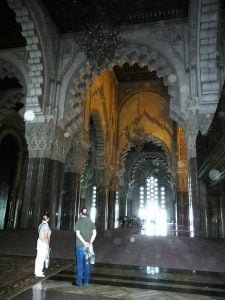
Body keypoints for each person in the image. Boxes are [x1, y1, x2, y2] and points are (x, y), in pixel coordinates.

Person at [73, 207, 97, 286]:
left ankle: (79, 282)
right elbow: (94, 233)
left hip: (80, 246)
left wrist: (84, 243)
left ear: (80, 213)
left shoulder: (79, 222)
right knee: (87, 264)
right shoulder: (91, 222)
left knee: (80, 264)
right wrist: (90, 243)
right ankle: (86, 282)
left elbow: (78, 234)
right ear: (87, 214)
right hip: (88, 247)